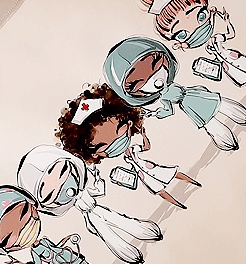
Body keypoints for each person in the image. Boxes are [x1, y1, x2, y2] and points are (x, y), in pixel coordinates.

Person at [56, 84, 200, 209]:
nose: (116, 140)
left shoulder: (132, 149)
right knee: (159, 190)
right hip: (141, 176)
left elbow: (146, 147)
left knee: (171, 173)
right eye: (103, 144)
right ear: (93, 154)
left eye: (119, 129)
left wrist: (143, 135)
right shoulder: (103, 168)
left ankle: (194, 182)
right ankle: (178, 204)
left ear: (129, 122)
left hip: (148, 167)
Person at [17, 145, 161, 264]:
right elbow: (98, 192)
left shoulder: (83, 190)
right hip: (92, 218)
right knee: (110, 237)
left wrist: (97, 177)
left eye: (61, 172)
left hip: (99, 210)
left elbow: (99, 191)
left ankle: (149, 233)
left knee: (122, 221)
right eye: (48, 191)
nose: (58, 183)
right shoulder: (71, 201)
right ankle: (132, 255)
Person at [103, 36, 246, 151]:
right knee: (210, 123)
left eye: (156, 66)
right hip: (189, 105)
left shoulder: (170, 86)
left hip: (194, 95)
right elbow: (168, 110)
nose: (155, 80)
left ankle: (244, 118)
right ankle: (229, 142)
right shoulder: (163, 97)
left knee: (221, 103)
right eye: (141, 82)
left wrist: (199, 88)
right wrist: (155, 113)